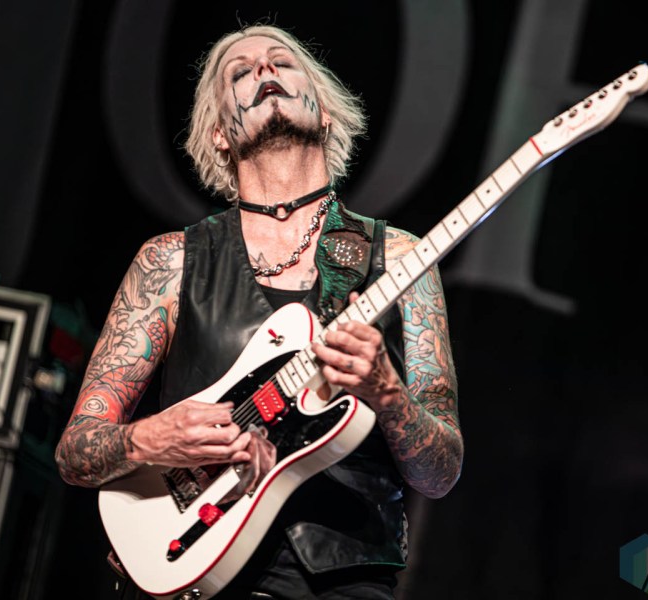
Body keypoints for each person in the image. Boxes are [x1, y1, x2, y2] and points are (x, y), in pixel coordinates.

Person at [55, 23, 463, 599]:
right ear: (221, 133)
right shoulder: (170, 261)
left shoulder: (402, 259)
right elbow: (75, 452)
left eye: (282, 62)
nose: (264, 70)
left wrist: (389, 394)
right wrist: (148, 439)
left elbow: (440, 474)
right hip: (194, 569)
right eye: (240, 73)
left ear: (324, 111)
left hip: (343, 584)